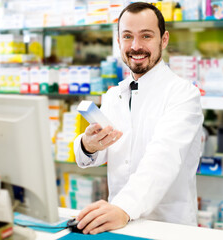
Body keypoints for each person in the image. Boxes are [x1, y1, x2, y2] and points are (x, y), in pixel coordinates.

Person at [73, 2, 204, 235]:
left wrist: (124, 207)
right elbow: (107, 153)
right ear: (118, 41)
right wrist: (88, 145)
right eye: (127, 36)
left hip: (167, 228)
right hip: (117, 225)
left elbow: (164, 158)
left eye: (146, 36)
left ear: (163, 40)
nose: (136, 46)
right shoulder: (114, 95)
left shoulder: (183, 94)